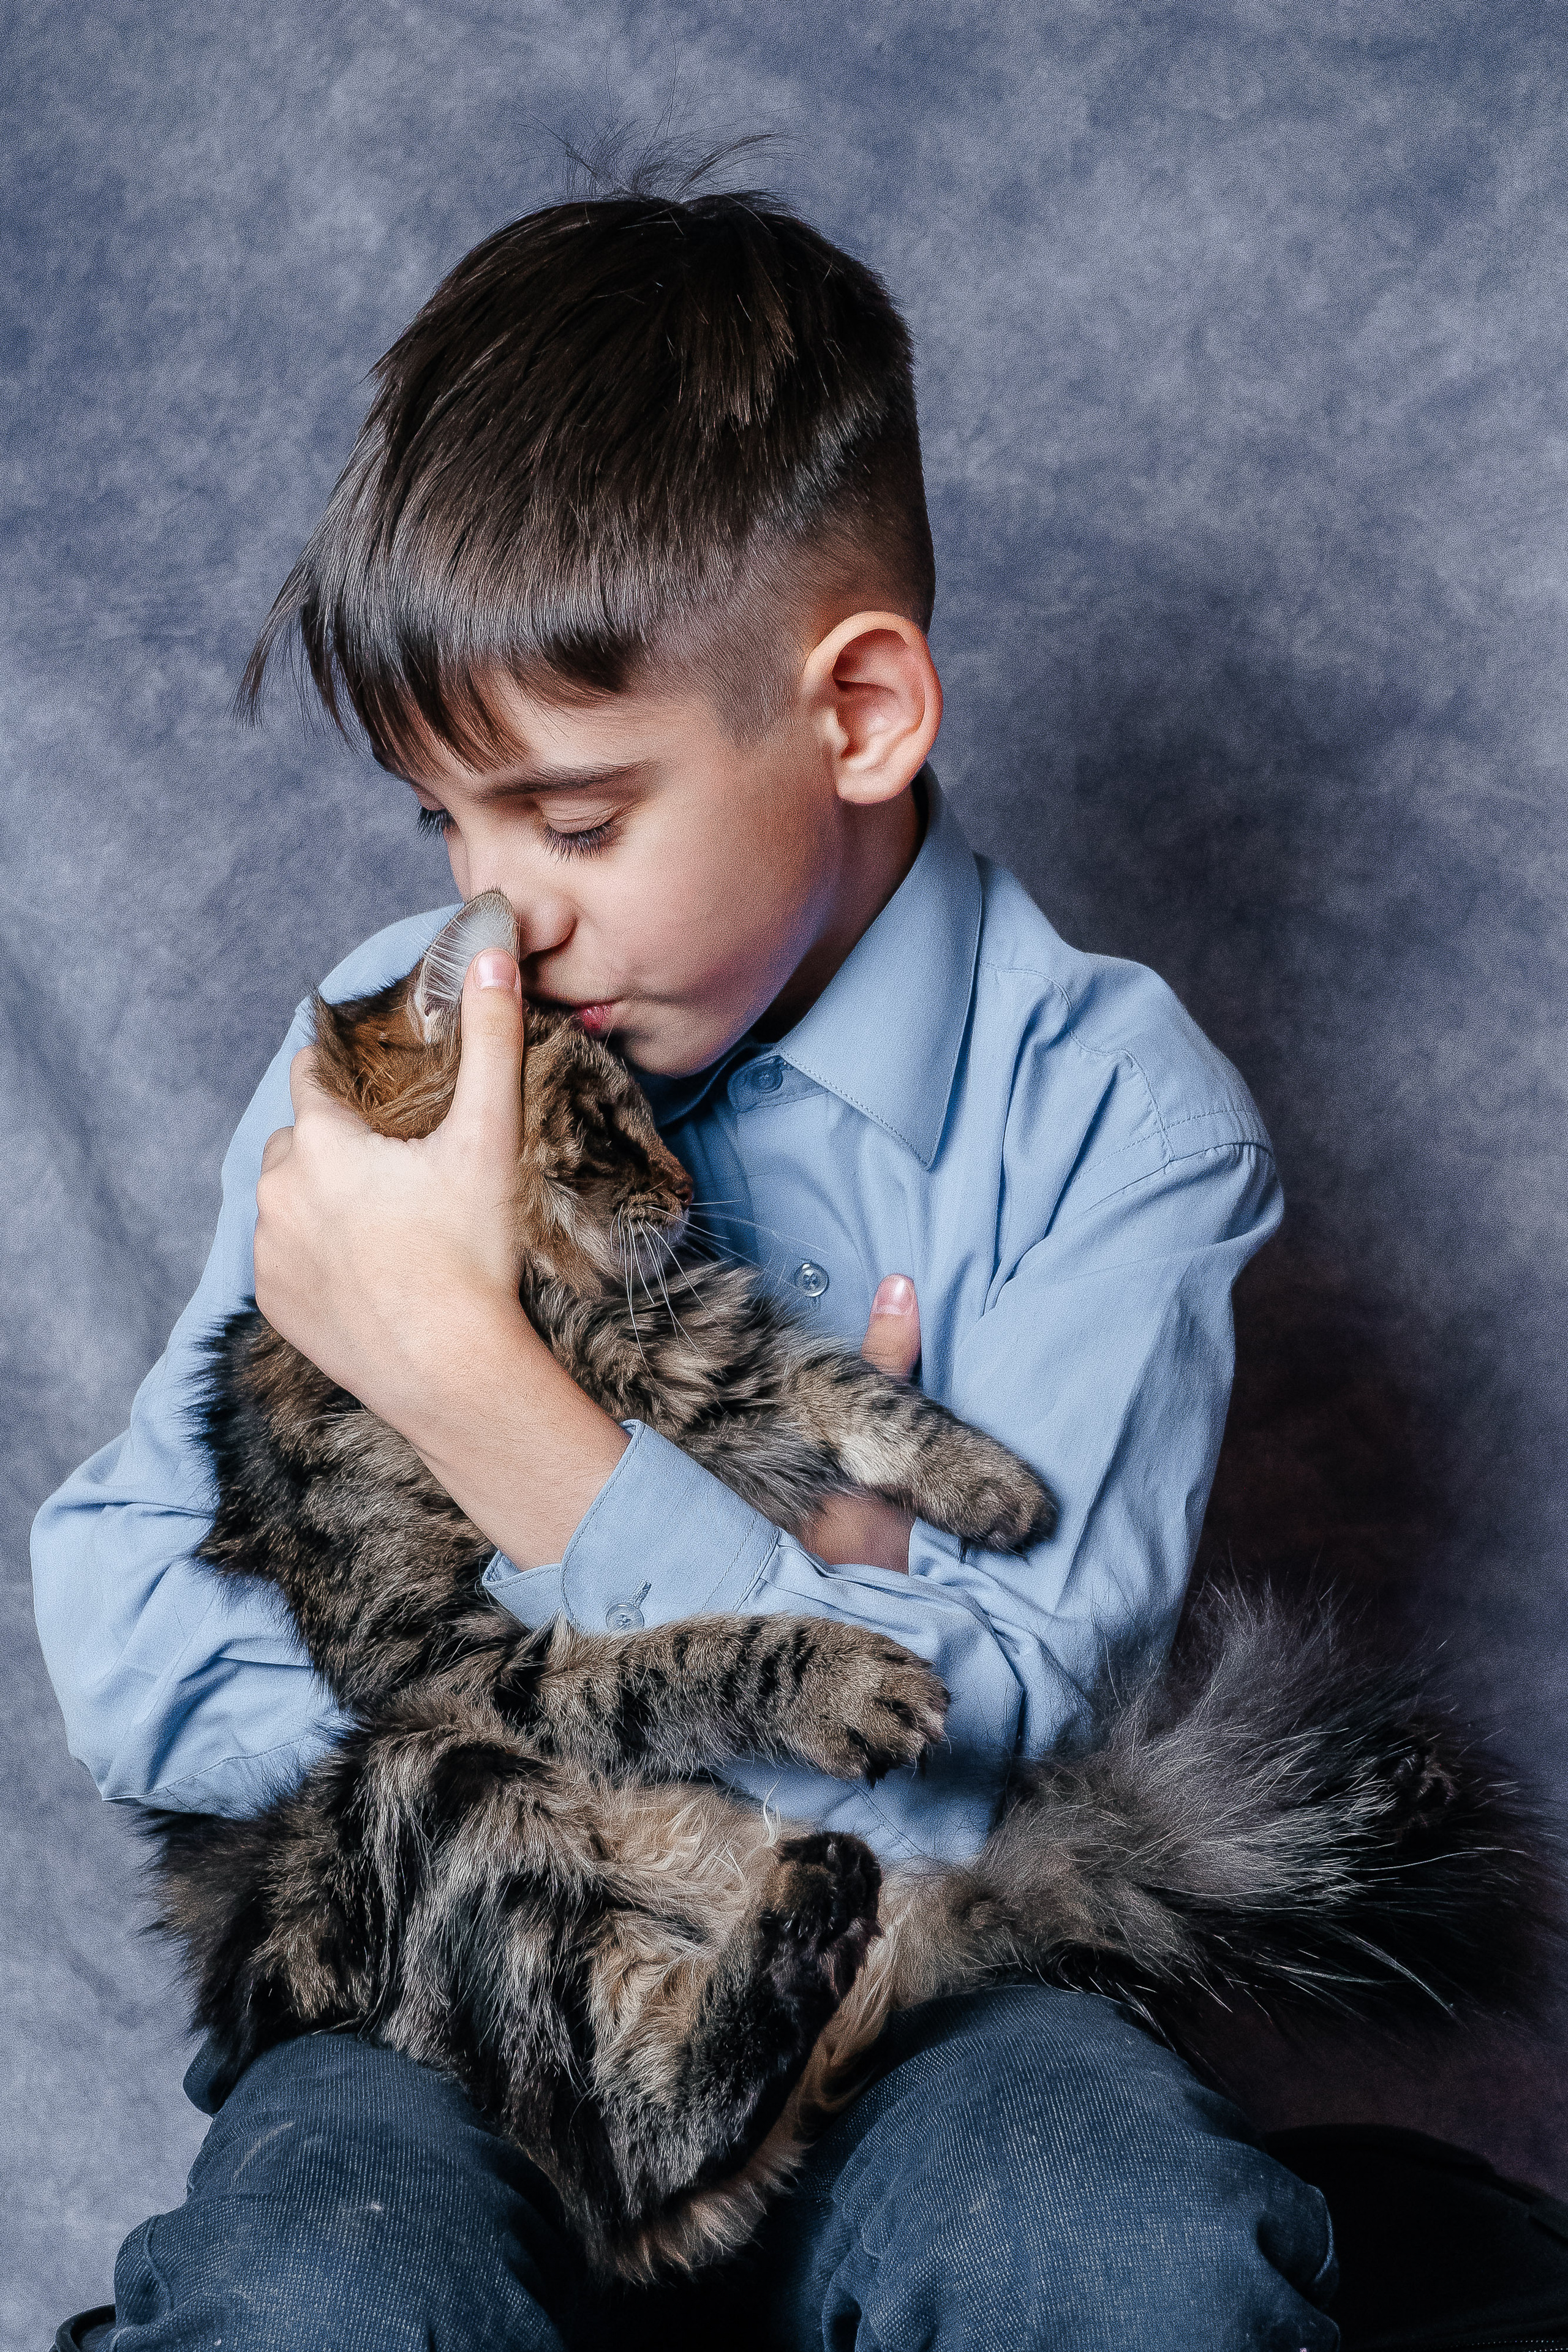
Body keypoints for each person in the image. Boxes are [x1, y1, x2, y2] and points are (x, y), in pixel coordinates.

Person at [32, 184, 1339, 2348]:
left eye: (569, 821)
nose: (494, 927)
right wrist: (774, 1636)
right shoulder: (409, 1026)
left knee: (1123, 2257)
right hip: (449, 2005)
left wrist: (466, 1388)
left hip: (924, 2017)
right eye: (442, 830)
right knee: (303, 2297)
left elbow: (984, 1762)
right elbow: (123, 1634)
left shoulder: (1120, 1115)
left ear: (860, 714)